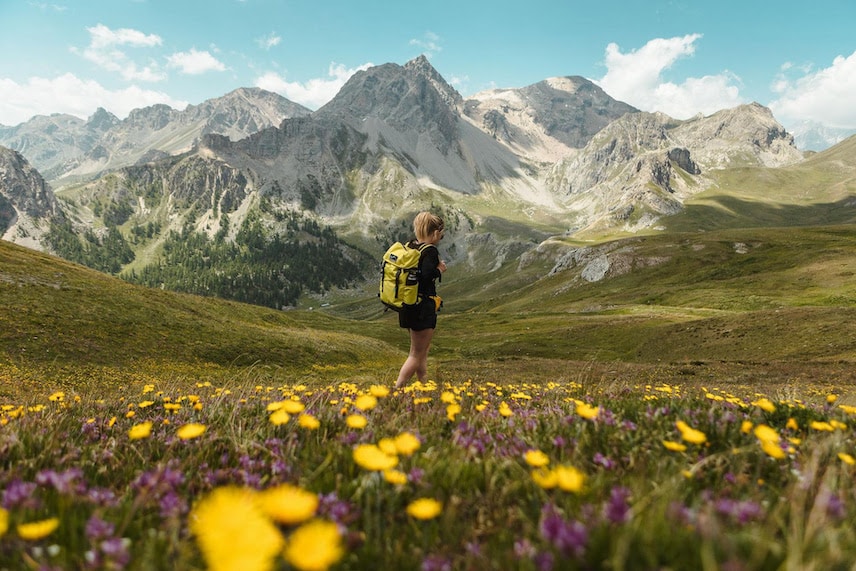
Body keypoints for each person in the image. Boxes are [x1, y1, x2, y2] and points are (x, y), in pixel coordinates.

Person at [395, 212, 447, 388]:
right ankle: (398, 388)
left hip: (408, 305)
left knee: (422, 352)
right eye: (441, 234)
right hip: (422, 307)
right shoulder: (430, 251)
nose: (441, 237)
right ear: (435, 233)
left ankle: (423, 386)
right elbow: (426, 275)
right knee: (416, 354)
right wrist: (439, 270)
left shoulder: (411, 245)